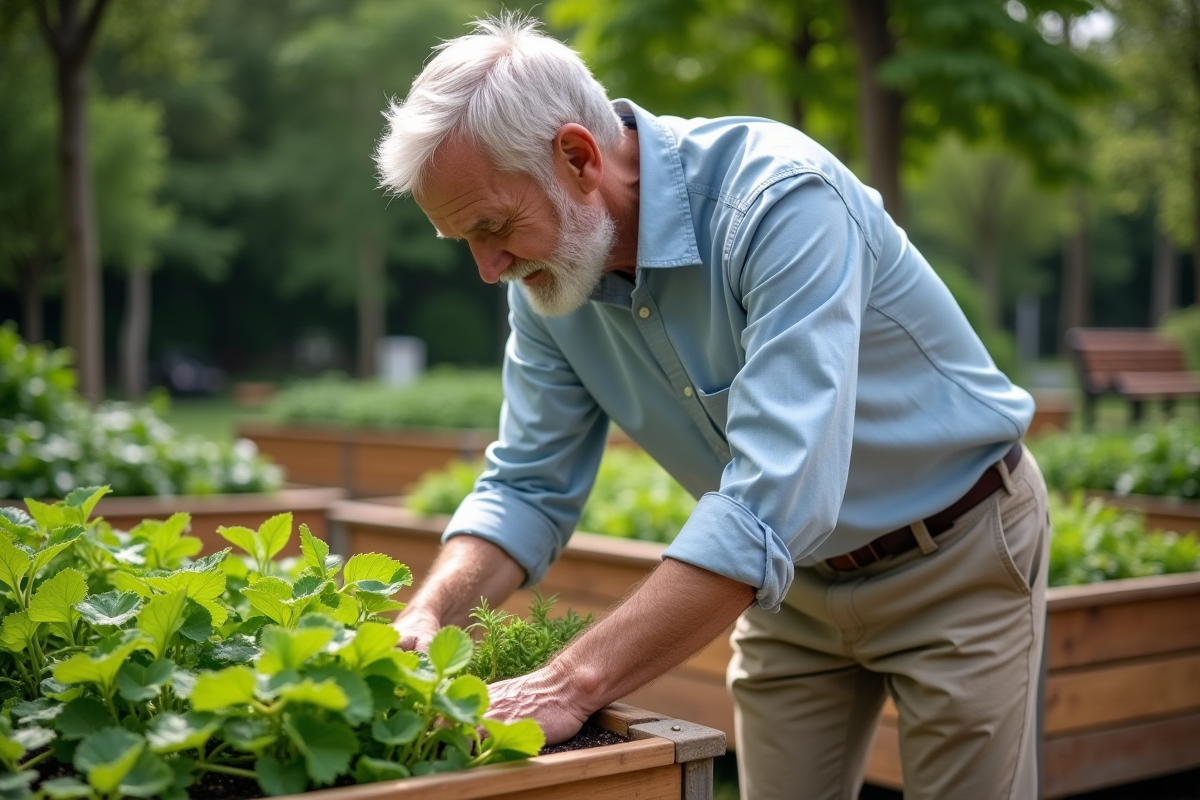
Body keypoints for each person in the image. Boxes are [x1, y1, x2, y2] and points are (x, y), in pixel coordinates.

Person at [375, 14, 1049, 800]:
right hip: (792, 590)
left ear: (578, 157)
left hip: (954, 556)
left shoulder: (779, 203)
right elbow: (527, 486)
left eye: (492, 227)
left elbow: (768, 502)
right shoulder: (549, 284)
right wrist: (427, 616)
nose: (487, 269)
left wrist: (567, 685)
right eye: (462, 239)